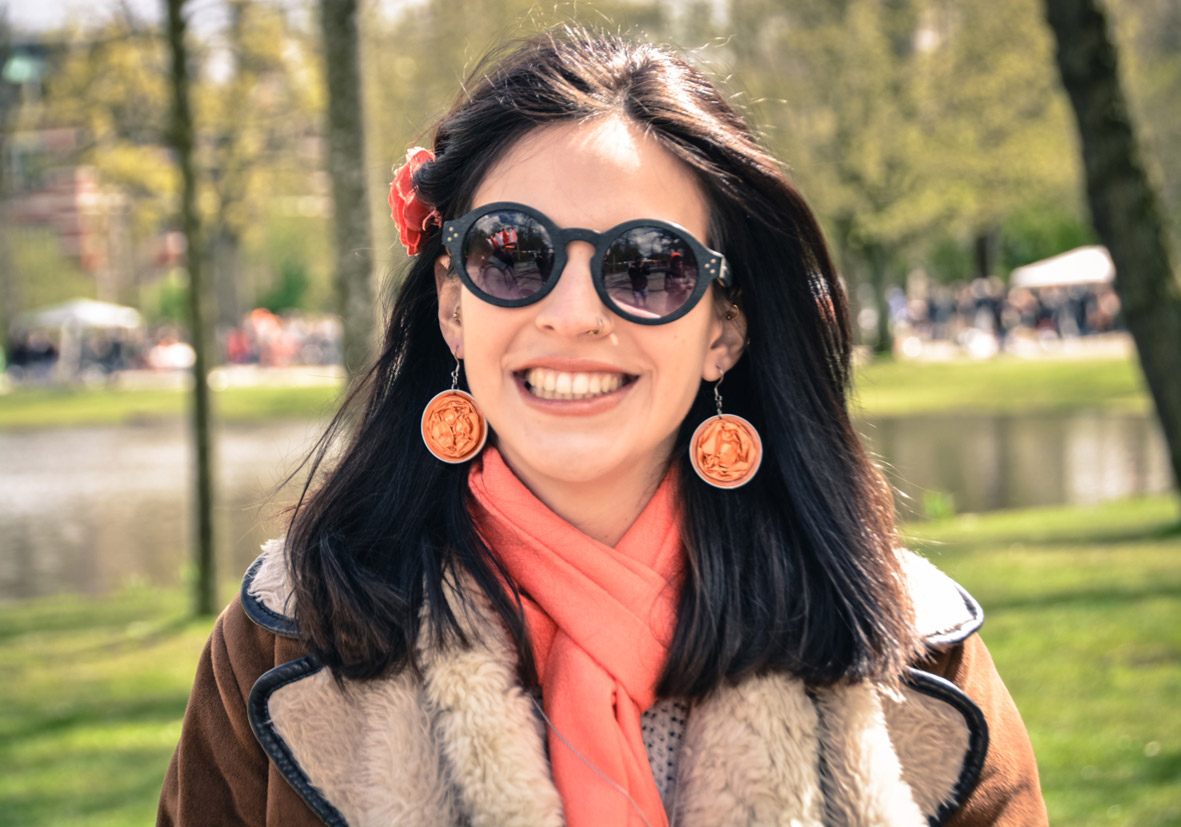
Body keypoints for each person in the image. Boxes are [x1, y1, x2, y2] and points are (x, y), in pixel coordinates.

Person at [158, 27, 1047, 827]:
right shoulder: (283, 635)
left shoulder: (906, 645)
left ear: (724, 329)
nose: (574, 314)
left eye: (648, 266)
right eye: (513, 254)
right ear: (452, 305)